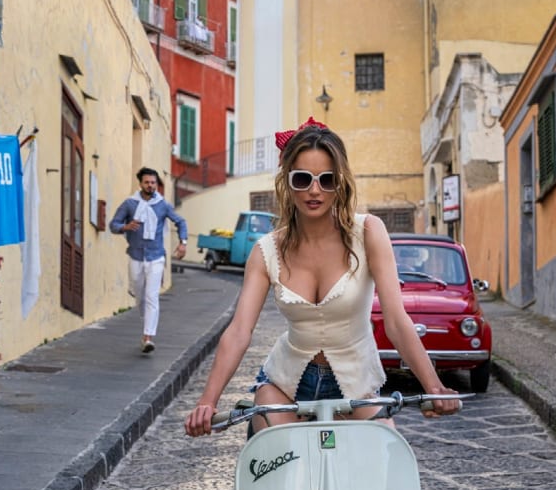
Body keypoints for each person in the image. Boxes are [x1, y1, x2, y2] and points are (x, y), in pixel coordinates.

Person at [185, 120, 461, 436]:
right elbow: (239, 330)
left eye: (326, 180)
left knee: (381, 460)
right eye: (302, 179)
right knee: (274, 462)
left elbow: (397, 321)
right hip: (286, 384)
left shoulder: (368, 233)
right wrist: (208, 401)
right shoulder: (266, 251)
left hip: (355, 385)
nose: (314, 190)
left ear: (339, 183)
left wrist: (434, 386)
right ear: (287, 182)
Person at [108, 167, 188, 354]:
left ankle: (148, 337)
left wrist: (183, 242)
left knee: (152, 296)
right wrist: (126, 226)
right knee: (140, 295)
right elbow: (113, 225)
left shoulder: (163, 205)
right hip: (135, 255)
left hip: (156, 256)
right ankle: (147, 326)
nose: (151, 186)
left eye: (153, 183)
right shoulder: (129, 204)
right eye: (147, 182)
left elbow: (180, 222)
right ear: (140, 183)